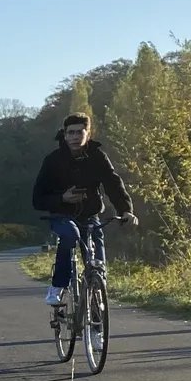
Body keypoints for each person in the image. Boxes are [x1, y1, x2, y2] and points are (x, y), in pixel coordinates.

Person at [30, 113, 135, 306]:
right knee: (71, 234)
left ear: (88, 133)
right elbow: (37, 199)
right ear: (65, 135)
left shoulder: (97, 157)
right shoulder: (53, 160)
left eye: (80, 132)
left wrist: (126, 210)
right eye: (71, 133)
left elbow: (113, 184)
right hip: (62, 216)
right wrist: (62, 198)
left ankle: (97, 289)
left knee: (96, 254)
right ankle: (58, 286)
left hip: (90, 215)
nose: (75, 137)